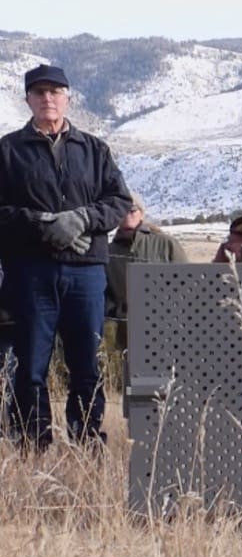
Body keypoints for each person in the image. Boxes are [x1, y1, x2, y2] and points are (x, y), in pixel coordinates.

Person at [0, 64, 132, 449]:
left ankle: (87, 442)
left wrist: (82, 219)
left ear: (68, 97)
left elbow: (119, 201)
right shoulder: (7, 151)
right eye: (39, 92)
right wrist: (40, 223)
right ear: (27, 99)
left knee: (86, 366)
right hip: (30, 272)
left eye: (55, 92)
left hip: (85, 273)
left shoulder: (95, 149)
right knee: (30, 367)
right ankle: (31, 444)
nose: (48, 99)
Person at [105, 190, 189, 347]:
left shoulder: (166, 244)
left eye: (132, 210)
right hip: (124, 329)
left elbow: (188, 283)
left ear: (142, 213)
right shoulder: (108, 252)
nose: (127, 215)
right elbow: (104, 292)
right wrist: (115, 311)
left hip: (165, 326)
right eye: (121, 210)